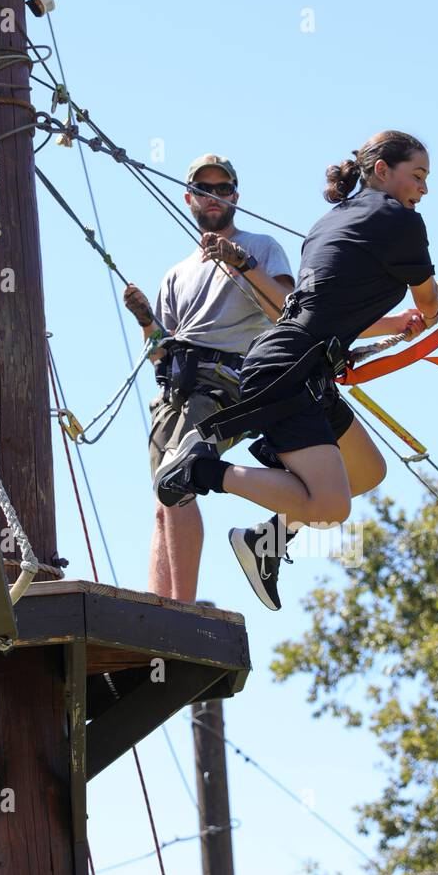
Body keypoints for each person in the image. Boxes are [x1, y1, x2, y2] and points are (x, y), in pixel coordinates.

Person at [154, 130, 438, 610]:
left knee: (365, 471)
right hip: (289, 369)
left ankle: (268, 540)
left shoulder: (331, 220)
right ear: (382, 170)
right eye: (418, 176)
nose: (423, 189)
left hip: (297, 364)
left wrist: (396, 323)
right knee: (331, 505)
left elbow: (322, 311)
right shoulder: (402, 222)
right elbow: (428, 302)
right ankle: (202, 469)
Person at [123, 153, 294, 601]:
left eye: (223, 189)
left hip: (228, 380)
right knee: (164, 497)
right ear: (189, 198)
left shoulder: (261, 247)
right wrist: (145, 319)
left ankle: (179, 609)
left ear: (235, 196)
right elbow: (161, 350)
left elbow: (288, 313)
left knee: (177, 484)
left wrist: (241, 263)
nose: (214, 196)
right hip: (180, 386)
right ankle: (160, 604)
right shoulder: (177, 274)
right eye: (204, 189)